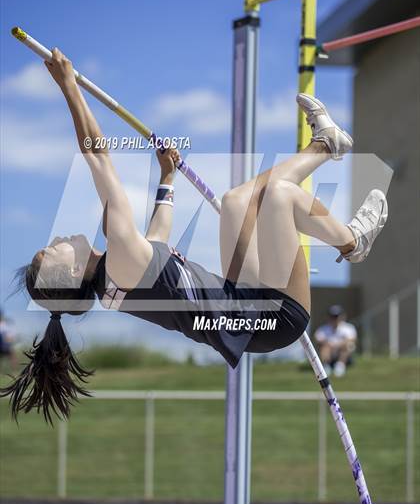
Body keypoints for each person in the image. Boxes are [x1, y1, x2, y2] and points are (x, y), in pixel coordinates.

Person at [0, 49, 388, 423]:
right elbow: (98, 157)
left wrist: (166, 179)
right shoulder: (118, 259)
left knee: (237, 202)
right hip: (276, 316)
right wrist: (70, 87)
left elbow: (157, 245)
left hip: (247, 299)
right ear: (70, 275)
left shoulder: (118, 272)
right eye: (49, 252)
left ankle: (326, 144)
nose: (54, 241)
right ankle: (353, 242)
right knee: (280, 197)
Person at [314, 305, 357, 377]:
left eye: (337, 316)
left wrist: (337, 345)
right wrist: (329, 344)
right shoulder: (323, 328)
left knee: (347, 345)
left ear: (342, 316)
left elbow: (352, 339)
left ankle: (340, 366)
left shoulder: (348, 327)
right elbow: (318, 339)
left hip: (342, 350)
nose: (335, 319)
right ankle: (326, 366)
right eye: (333, 317)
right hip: (329, 350)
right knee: (325, 347)